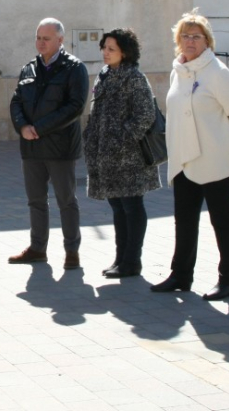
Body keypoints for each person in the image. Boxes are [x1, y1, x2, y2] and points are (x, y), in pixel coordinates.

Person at [151, 10, 229, 299]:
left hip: (216, 160)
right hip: (184, 160)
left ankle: (228, 279)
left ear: (208, 41)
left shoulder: (218, 73)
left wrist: (219, 140)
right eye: (185, 35)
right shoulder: (178, 71)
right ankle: (181, 275)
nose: (190, 41)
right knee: (184, 219)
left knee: (222, 219)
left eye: (196, 36)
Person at [8, 17, 89, 269]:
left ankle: (71, 251)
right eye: (38, 38)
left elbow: (75, 107)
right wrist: (22, 126)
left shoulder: (74, 68)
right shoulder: (29, 68)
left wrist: (39, 129)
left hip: (60, 147)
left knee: (66, 200)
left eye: (46, 39)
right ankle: (37, 248)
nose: (40, 43)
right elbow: (16, 101)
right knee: (36, 200)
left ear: (60, 40)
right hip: (31, 147)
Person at [82, 28, 161, 278]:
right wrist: (91, 136)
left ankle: (132, 261)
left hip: (130, 158)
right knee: (117, 207)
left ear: (125, 52)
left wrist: (123, 138)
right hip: (105, 156)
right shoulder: (104, 75)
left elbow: (145, 115)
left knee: (132, 206)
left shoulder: (134, 78)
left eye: (111, 49)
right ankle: (120, 259)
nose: (105, 53)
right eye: (104, 47)